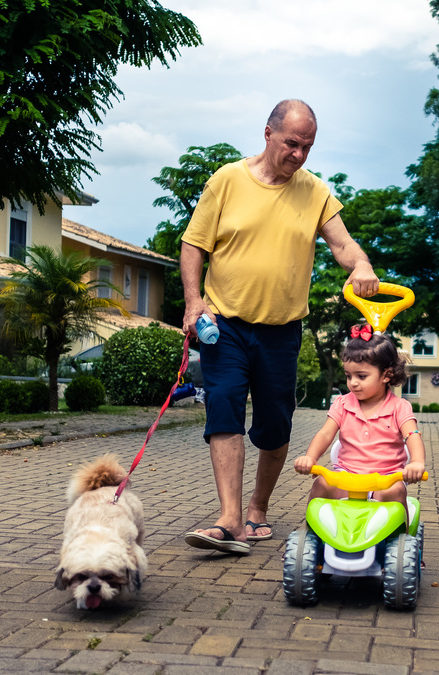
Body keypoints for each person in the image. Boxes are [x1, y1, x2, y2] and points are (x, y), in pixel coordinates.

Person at [179, 99, 379, 555]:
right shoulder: (227, 180)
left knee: (275, 426)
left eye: (307, 146)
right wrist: (194, 302)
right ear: (267, 134)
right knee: (224, 406)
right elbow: (193, 245)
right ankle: (229, 520)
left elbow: (343, 243)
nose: (299, 155)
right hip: (225, 324)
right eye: (292, 143)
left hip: (281, 330)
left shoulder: (314, 192)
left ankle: (258, 509)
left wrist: (361, 265)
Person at [294, 328, 427, 511]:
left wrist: (417, 462)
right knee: (321, 484)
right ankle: (311, 535)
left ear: (386, 375)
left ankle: (400, 537)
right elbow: (325, 434)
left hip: (386, 478)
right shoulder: (342, 404)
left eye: (361, 376)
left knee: (395, 492)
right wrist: (310, 457)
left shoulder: (399, 407)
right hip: (347, 475)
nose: (353, 382)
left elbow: (412, 435)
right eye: (348, 376)